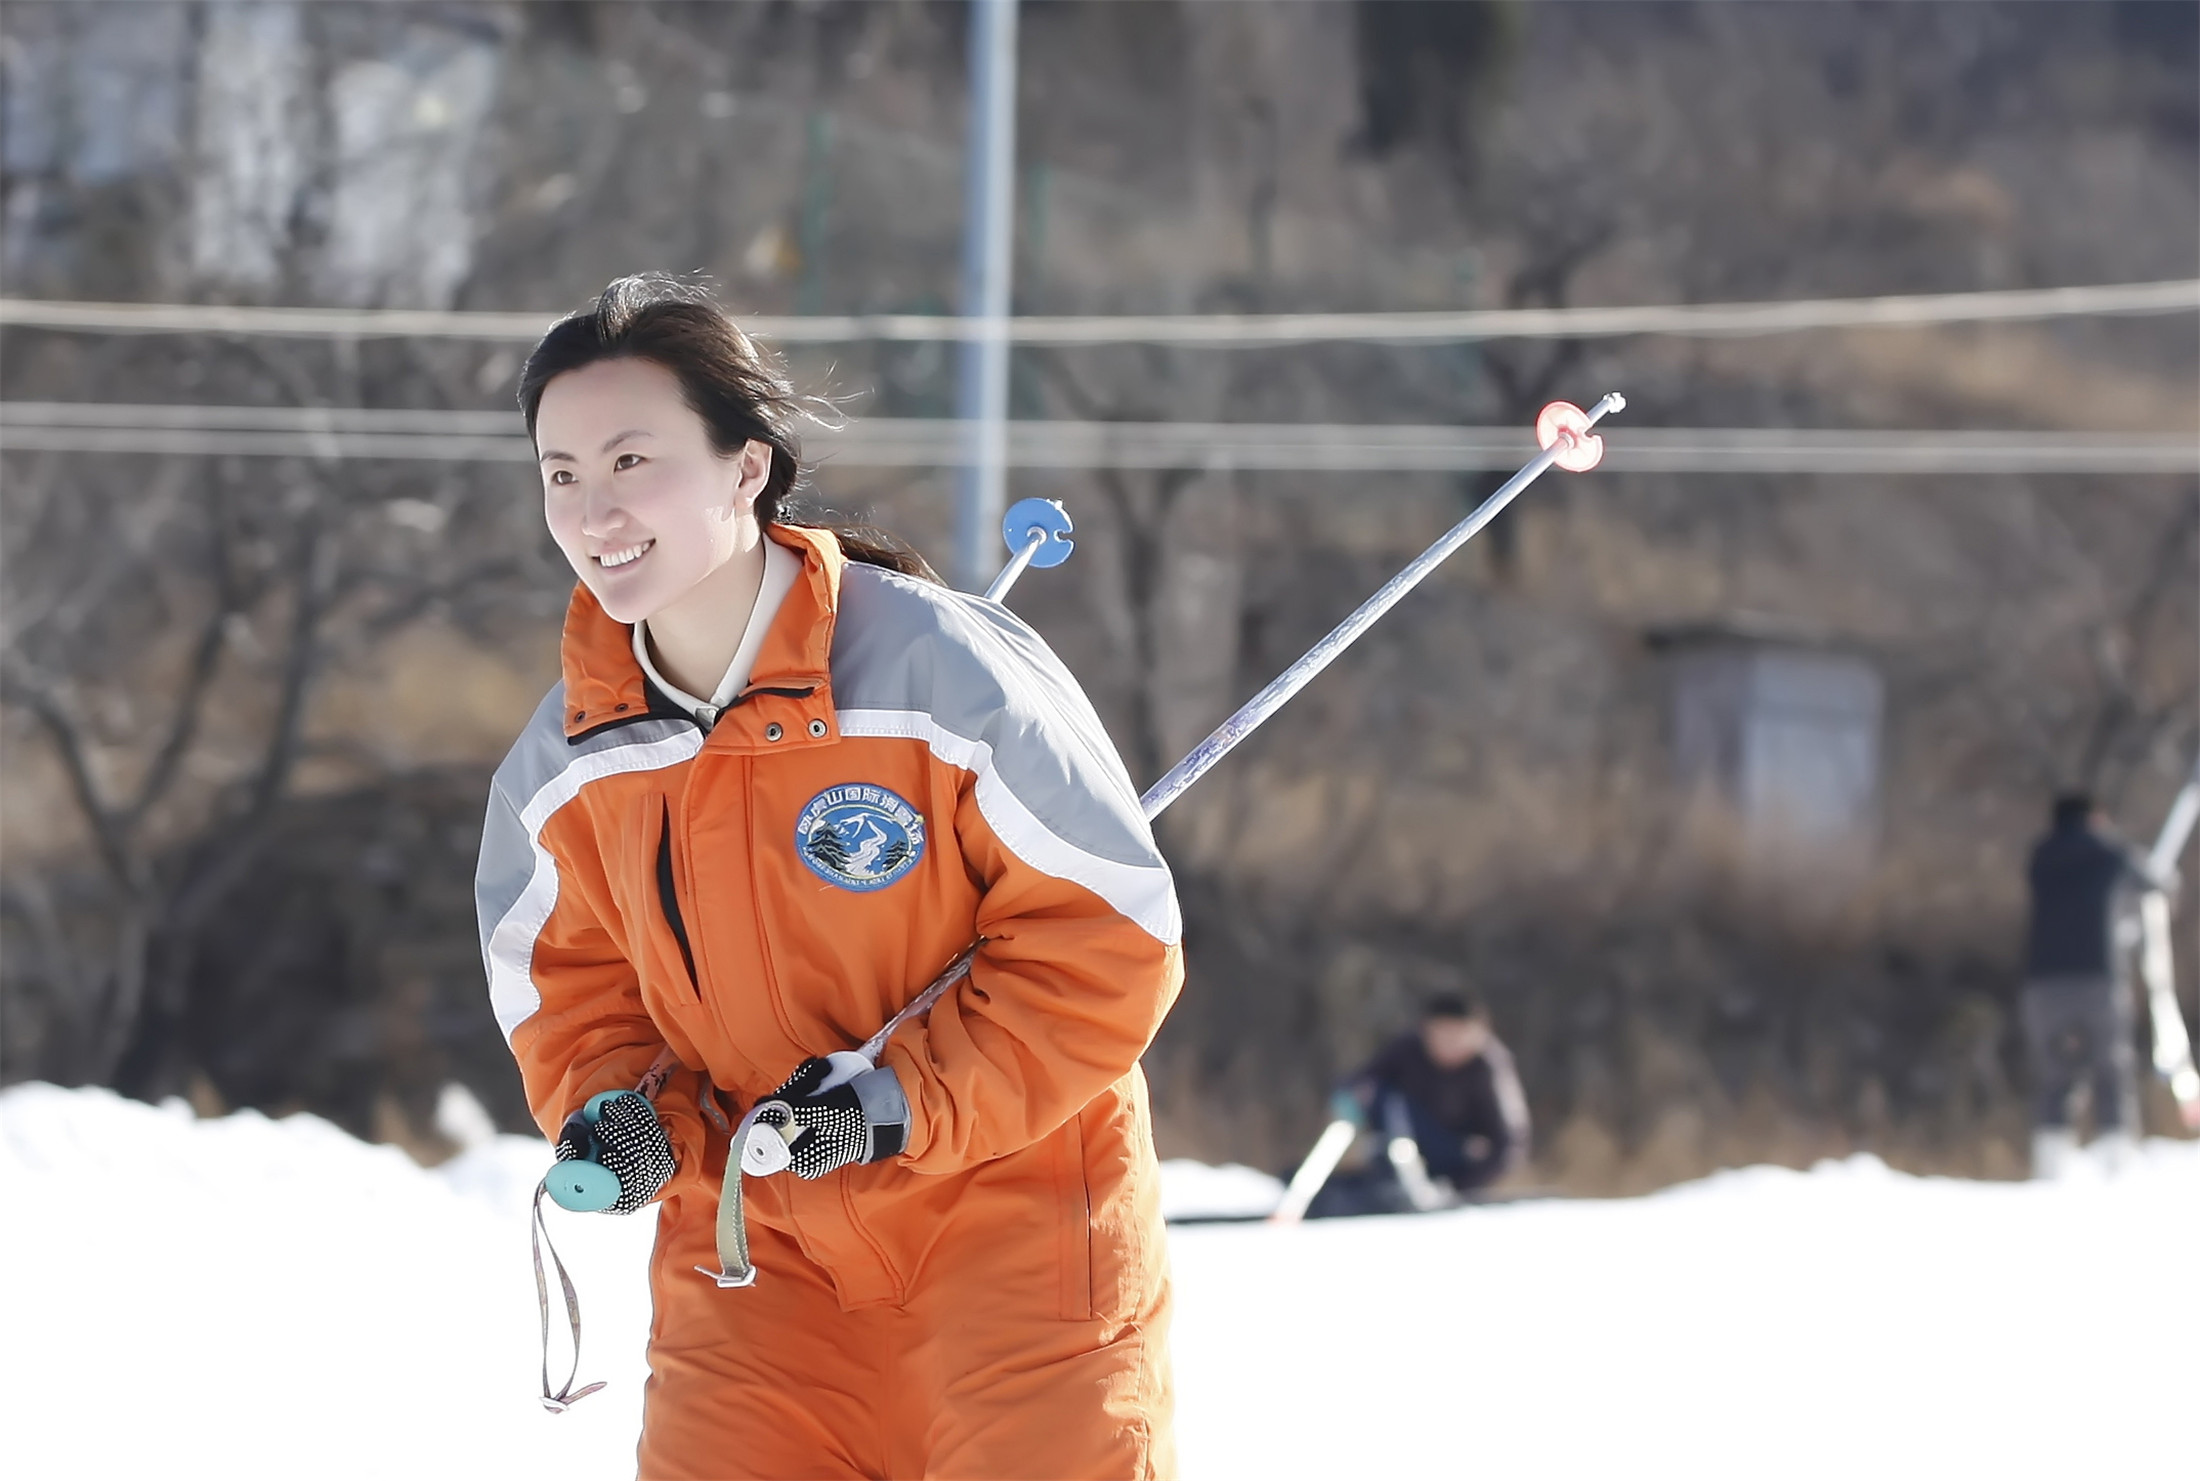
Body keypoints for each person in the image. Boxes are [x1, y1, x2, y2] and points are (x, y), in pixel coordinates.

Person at [475, 276, 1183, 1479]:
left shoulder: (942, 675)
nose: (595, 510)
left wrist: (892, 1104)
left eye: (633, 460)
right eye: (561, 473)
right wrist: (626, 1111)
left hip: (1012, 1232)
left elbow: (1100, 946)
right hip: (751, 1264)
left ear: (746, 468)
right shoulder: (566, 766)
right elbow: (572, 993)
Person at [2021, 792, 2163, 1176]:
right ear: (2095, 818)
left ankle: (2050, 1167)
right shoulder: (2110, 852)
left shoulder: (2040, 857)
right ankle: (2115, 1163)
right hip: (2097, 978)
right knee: (2110, 1069)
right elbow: (2155, 882)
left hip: (2043, 983)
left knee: (2054, 1072)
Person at [1315, 993, 1529, 1214]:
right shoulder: (1408, 1049)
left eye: (1457, 1034)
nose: (1448, 1043)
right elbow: (1365, 1078)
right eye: (1441, 1033)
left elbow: (1510, 1142)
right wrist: (1350, 1096)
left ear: (1477, 1033)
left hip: (1457, 1160)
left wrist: (1461, 1188)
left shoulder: (1489, 1067)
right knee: (1382, 1094)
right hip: (1405, 1150)